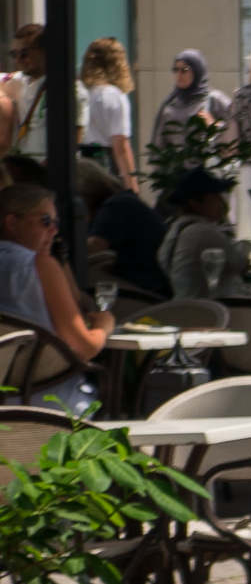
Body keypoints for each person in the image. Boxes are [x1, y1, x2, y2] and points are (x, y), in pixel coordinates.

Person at [0, 180, 113, 406]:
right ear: (12, 222)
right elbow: (85, 347)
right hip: (54, 405)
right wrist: (105, 324)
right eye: (45, 221)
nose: (54, 230)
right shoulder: (39, 264)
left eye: (55, 222)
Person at [160, 167, 251, 300]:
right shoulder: (202, 232)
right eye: (214, 197)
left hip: (182, 308)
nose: (222, 202)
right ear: (195, 203)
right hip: (206, 313)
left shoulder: (175, 231)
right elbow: (240, 266)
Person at [78, 158, 165, 297]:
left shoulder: (117, 206)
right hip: (138, 290)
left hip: (144, 294)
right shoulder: (121, 201)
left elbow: (88, 253)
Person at [78, 38, 137, 189]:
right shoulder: (115, 96)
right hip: (105, 164)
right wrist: (132, 187)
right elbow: (121, 148)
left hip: (81, 163)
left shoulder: (79, 92)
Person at [151, 50, 230, 154]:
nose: (179, 75)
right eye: (176, 70)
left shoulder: (215, 100)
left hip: (207, 167)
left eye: (184, 70)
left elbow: (235, 134)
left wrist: (214, 126)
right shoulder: (169, 104)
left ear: (197, 71)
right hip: (177, 168)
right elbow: (159, 144)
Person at [3, 23, 46, 159]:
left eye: (24, 53)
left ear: (44, 51)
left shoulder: (68, 89)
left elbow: (73, 141)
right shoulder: (16, 80)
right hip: (25, 171)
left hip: (50, 171)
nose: (18, 60)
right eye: (13, 54)